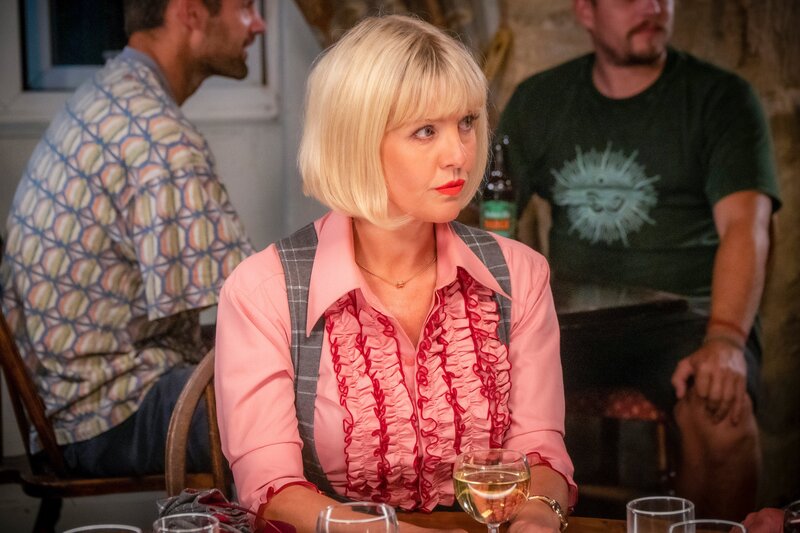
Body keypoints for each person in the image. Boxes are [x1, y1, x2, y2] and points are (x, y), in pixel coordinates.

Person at [215, 14, 576, 533]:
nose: (459, 154)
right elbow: (271, 492)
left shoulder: (520, 274)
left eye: (466, 123)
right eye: (425, 131)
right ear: (356, 142)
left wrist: (538, 517)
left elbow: (541, 451)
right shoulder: (262, 291)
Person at [498, 0, 780, 521]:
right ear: (586, 11)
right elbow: (490, 212)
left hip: (685, 321)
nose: (652, 7)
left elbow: (747, 226)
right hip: (572, 324)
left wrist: (725, 340)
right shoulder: (541, 98)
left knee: (719, 407)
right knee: (476, 386)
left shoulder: (720, 98)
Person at [0, 0, 263, 476]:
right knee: (323, 408)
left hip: (68, 398)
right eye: (245, 7)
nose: (258, 24)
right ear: (190, 13)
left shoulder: (104, 94)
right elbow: (253, 305)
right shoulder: (159, 137)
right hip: (106, 411)